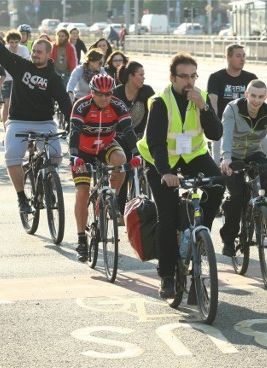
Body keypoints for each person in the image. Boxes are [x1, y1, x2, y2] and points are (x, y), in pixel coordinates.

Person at [136, 52, 224, 299]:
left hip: (193, 155)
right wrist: (165, 172)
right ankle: (166, 275)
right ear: (172, 77)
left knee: (217, 185)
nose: (189, 82)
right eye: (183, 77)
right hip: (161, 160)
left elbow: (216, 134)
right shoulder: (160, 101)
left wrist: (204, 107)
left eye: (193, 76)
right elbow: (155, 142)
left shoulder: (201, 97)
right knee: (167, 215)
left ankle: (198, 236)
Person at [0, 23, 72, 215]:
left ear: (49, 54)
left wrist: (74, 122)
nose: (35, 55)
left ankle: (49, 183)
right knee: (12, 157)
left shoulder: (54, 78)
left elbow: (65, 102)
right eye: (34, 51)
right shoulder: (21, 66)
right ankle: (22, 198)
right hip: (18, 121)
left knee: (56, 156)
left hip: (45, 123)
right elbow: (3, 54)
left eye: (40, 52)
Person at [219, 80, 267, 256]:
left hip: (253, 153)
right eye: (253, 95)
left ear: (265, 97)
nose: (256, 100)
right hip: (234, 155)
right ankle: (228, 240)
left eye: (261, 97)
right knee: (235, 196)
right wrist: (226, 157)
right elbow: (226, 134)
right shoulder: (233, 109)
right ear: (246, 94)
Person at [69, 74, 138, 262]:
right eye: (100, 94)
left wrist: (136, 153)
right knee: (82, 191)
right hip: (83, 151)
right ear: (92, 92)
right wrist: (74, 155)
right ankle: (81, 239)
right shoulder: (82, 105)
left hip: (105, 145)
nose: (105, 98)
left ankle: (112, 198)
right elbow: (74, 132)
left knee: (121, 159)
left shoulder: (117, 105)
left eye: (108, 94)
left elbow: (128, 130)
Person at [207, 44, 267, 166]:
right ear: (228, 57)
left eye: (244, 56)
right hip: (224, 127)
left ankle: (260, 175)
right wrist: (214, 123)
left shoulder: (251, 77)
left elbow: (261, 102)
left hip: (247, 128)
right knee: (217, 159)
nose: (242, 59)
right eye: (238, 56)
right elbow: (213, 102)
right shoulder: (216, 77)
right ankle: (220, 179)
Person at [112, 61, 156, 214]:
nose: (144, 78)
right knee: (123, 169)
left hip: (141, 138)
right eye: (141, 75)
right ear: (131, 76)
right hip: (120, 137)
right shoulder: (116, 93)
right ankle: (119, 207)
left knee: (150, 168)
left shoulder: (147, 92)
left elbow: (156, 113)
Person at [1, 29, 30, 124]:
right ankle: (6, 128)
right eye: (11, 42)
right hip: (7, 79)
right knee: (6, 103)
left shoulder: (23, 49)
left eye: (16, 42)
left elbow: (26, 64)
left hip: (21, 80)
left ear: (19, 41)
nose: (14, 45)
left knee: (22, 104)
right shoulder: (4, 49)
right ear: (8, 42)